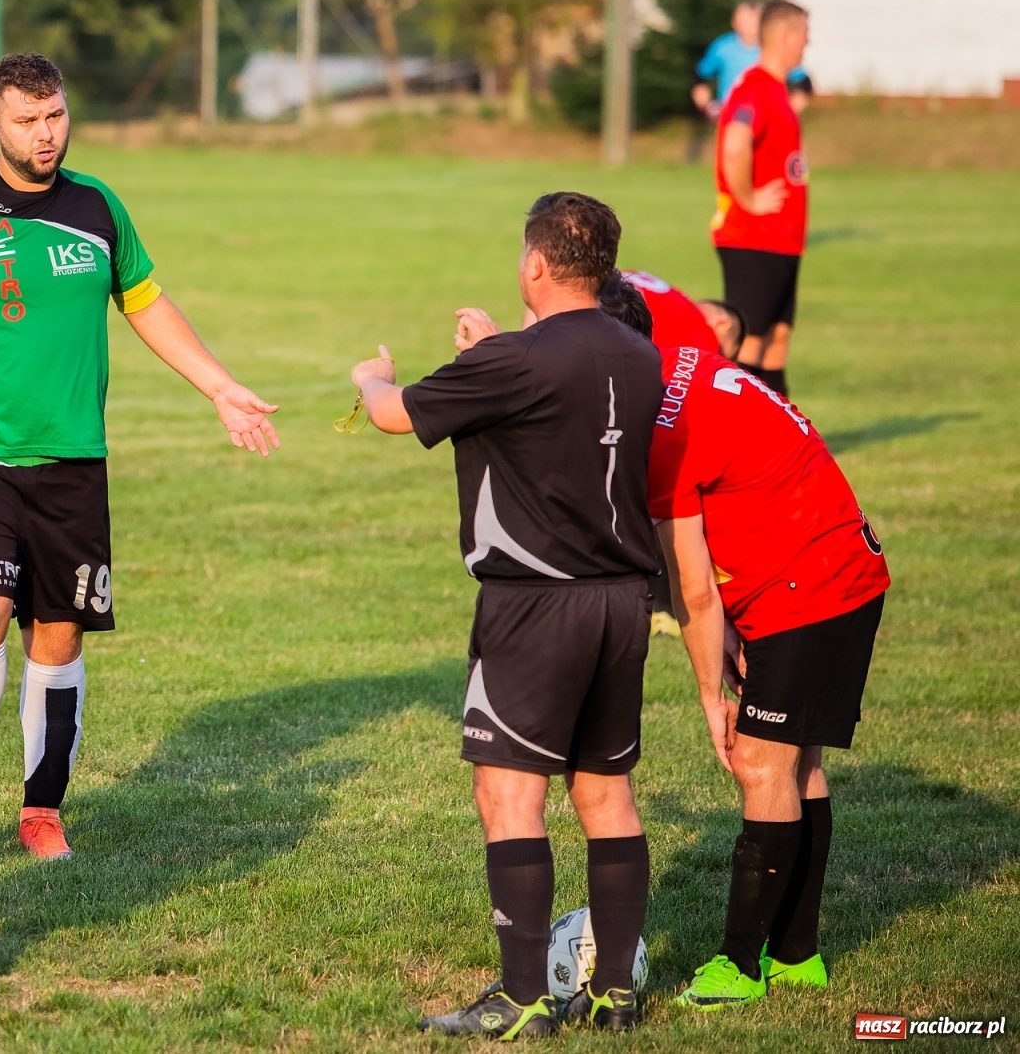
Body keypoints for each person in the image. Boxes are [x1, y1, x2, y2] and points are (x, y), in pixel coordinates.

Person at [0, 53, 280, 863]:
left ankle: (42, 808)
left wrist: (220, 386)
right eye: (27, 120)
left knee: (58, 635)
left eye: (55, 116)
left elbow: (144, 300)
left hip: (73, 463)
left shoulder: (96, 206)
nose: (45, 134)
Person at [351, 193, 662, 1040]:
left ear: (533, 263)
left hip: (534, 607)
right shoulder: (641, 356)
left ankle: (522, 997)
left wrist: (370, 378)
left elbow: (395, 413)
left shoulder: (518, 360)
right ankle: (616, 995)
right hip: (623, 603)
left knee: (509, 794)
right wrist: (497, 349)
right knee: (606, 795)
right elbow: (557, 407)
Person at [607, 278, 891, 1011]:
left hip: (808, 588)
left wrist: (710, 698)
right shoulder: (681, 361)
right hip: (844, 567)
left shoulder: (661, 433)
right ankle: (798, 954)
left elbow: (694, 593)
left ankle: (740, 964)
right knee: (798, 763)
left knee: (761, 762)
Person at [617, 270, 744, 637]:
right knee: (665, 486)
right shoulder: (701, 342)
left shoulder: (674, 301)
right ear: (721, 326)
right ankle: (664, 604)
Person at [711, 0, 811, 399]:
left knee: (777, 341)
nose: (809, 41)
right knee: (749, 344)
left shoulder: (777, 90)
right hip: (753, 237)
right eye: (805, 33)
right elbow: (735, 144)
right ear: (787, 37)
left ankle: (785, 447)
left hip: (782, 239)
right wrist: (749, 199)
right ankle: (733, 449)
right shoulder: (756, 88)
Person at [692, 0, 812, 119]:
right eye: (747, 18)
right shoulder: (723, 47)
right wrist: (708, 106)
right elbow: (701, 75)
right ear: (734, 22)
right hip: (735, 113)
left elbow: (802, 81)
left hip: (768, 115)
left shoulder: (774, 51)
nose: (752, 23)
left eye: (756, 18)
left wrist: (787, 110)